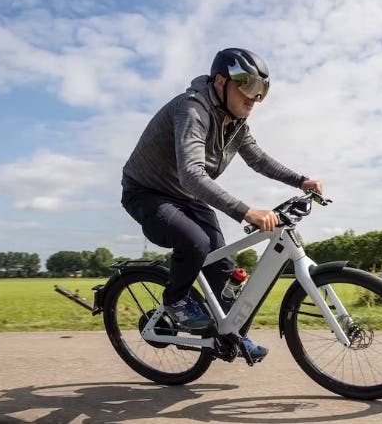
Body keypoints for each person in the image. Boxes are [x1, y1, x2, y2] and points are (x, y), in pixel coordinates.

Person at [120, 48, 322, 361]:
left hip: (186, 196)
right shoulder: (192, 110)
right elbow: (191, 174)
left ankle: (233, 337)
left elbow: (259, 160)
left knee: (222, 267)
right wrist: (245, 211)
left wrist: (301, 180)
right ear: (220, 82)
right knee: (196, 243)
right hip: (147, 192)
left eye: (261, 92)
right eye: (246, 85)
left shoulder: (236, 124)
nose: (253, 98)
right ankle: (175, 301)